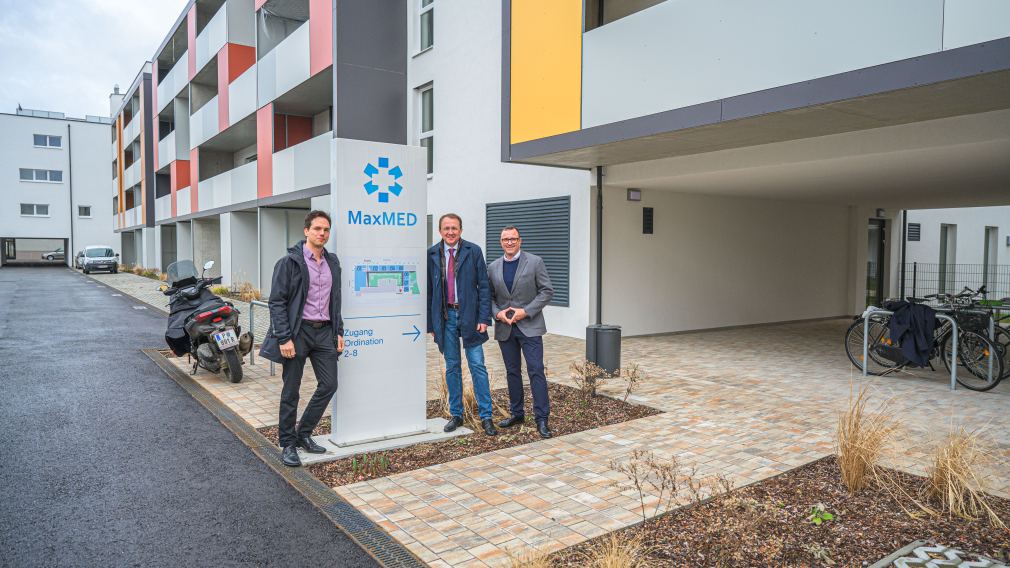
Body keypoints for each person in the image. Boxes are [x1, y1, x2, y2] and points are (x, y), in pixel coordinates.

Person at [259, 211, 344, 467]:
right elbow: (277, 302)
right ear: (306, 231)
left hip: (324, 332)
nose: (322, 233)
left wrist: (339, 331)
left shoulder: (333, 263)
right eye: (317, 228)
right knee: (291, 390)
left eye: (326, 229)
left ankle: (303, 434)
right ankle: (287, 444)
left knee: (329, 384)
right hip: (298, 333)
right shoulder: (289, 262)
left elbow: (336, 301)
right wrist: (284, 337)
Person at [426, 213, 497, 436]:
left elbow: (484, 287)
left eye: (454, 228)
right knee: (452, 367)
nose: (450, 232)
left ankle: (486, 416)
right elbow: (429, 292)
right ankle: (456, 414)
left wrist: (484, 318)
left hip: (470, 317)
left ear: (461, 230)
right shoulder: (431, 254)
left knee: (477, 365)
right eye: (446, 228)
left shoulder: (473, 251)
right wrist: (431, 324)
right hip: (445, 318)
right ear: (440, 231)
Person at [487, 226, 555, 438]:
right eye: (505, 239)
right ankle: (517, 413)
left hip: (530, 326)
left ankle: (542, 419)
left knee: (536, 371)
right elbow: (488, 297)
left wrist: (525, 312)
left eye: (513, 239)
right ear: (501, 242)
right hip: (505, 328)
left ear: (520, 240)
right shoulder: (493, 267)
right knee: (512, 372)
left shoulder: (535, 262)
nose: (509, 242)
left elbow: (547, 291)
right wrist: (497, 314)